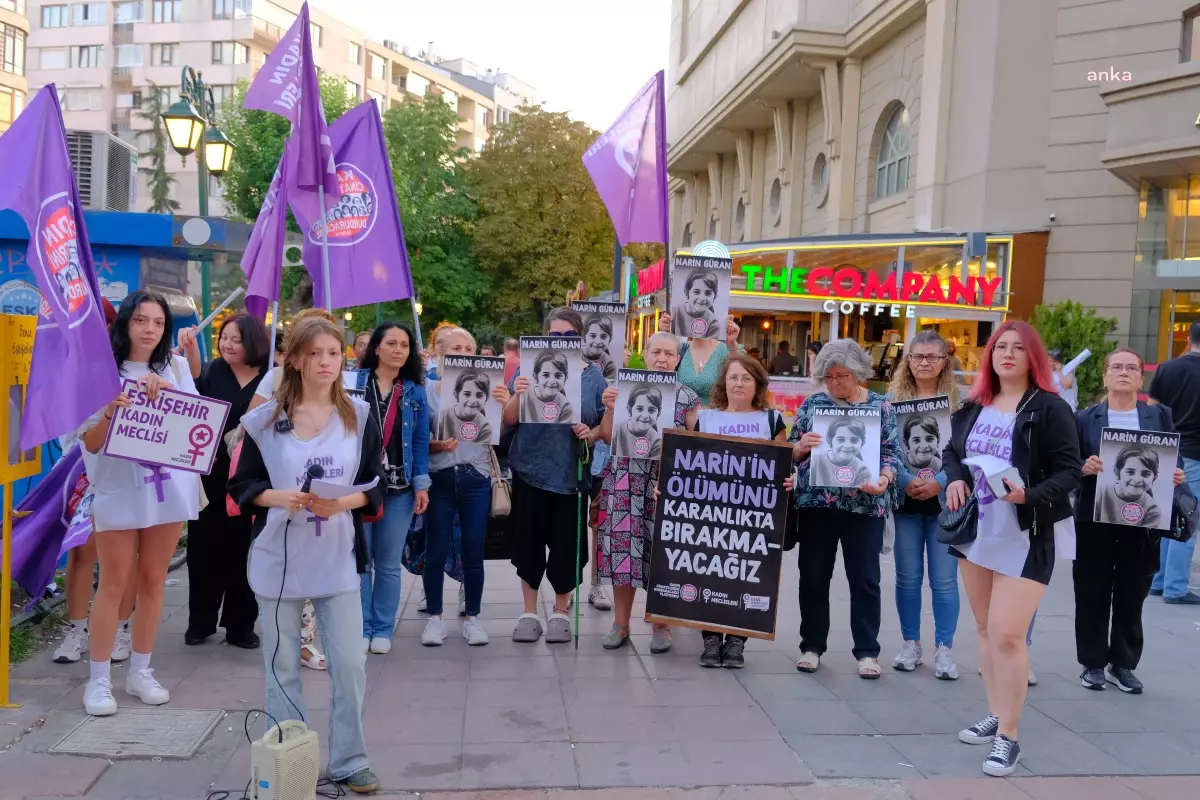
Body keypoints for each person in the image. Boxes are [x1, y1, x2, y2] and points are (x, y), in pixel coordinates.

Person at [229, 317, 384, 795]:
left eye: (333, 354)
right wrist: (278, 497)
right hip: (278, 562)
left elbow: (376, 485)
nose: (325, 362)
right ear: (294, 359)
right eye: (314, 353)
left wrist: (344, 501)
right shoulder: (262, 422)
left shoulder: (358, 415)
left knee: (349, 664)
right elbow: (241, 487)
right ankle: (291, 762)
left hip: (337, 558)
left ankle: (348, 760)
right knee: (283, 667)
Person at [942, 320, 1080, 777]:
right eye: (1001, 346)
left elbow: (1069, 472)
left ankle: (1009, 737)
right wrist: (958, 478)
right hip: (976, 531)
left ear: (1032, 357)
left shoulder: (1050, 408)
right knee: (983, 628)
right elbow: (951, 453)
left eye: (1018, 348)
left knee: (1006, 634)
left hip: (1027, 532)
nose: (1008, 354)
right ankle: (997, 712)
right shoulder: (974, 404)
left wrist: (1029, 495)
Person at [78, 290, 201, 716]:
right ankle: (97, 681)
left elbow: (195, 432)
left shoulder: (177, 366)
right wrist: (112, 411)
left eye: (158, 323)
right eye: (141, 320)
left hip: (167, 488)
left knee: (152, 580)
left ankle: (141, 671)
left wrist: (169, 395)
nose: (150, 329)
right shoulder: (99, 372)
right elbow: (89, 443)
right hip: (117, 487)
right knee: (113, 582)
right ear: (125, 323)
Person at [1075, 347, 1186, 694]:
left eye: (1131, 368)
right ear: (1105, 375)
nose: (1123, 372)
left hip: (1144, 521)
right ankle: (1092, 663)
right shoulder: (1083, 419)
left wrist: (1175, 474)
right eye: (1116, 367)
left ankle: (1122, 664)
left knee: (1132, 593)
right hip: (1095, 519)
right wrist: (1083, 466)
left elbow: (1171, 458)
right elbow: (1066, 463)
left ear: (1141, 377)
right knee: (1092, 592)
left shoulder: (1159, 416)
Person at [790, 339, 899, 679]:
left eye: (842, 376)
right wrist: (799, 448)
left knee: (865, 579)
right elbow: (790, 453)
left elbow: (892, 452)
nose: (835, 383)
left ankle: (867, 651)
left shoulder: (881, 407)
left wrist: (884, 477)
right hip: (816, 506)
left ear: (859, 374)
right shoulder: (812, 405)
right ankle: (811, 645)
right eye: (829, 377)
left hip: (864, 507)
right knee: (813, 577)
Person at [503, 307, 605, 643]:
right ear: (545, 336)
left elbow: (603, 426)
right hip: (530, 469)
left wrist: (589, 432)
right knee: (529, 545)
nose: (561, 341)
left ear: (578, 337)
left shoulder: (593, 377)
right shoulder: (527, 370)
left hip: (570, 476)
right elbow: (508, 420)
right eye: (555, 336)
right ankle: (529, 611)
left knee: (565, 547)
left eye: (568, 336)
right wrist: (518, 392)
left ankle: (561, 611)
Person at [594, 332, 700, 653]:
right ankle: (621, 624)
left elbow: (698, 445)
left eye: (669, 354)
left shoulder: (688, 398)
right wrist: (611, 409)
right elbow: (605, 436)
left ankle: (661, 624)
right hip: (625, 481)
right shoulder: (622, 390)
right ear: (645, 354)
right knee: (622, 553)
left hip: (666, 485)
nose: (662, 359)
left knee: (662, 555)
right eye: (656, 352)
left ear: (678, 359)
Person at [53, 298, 139, 666]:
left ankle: (119, 627)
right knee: (81, 550)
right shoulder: (69, 367)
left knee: (124, 554)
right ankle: (77, 630)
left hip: (125, 469)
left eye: (99, 323)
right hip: (79, 469)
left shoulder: (128, 364)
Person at [694, 353, 793, 668]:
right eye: (733, 377)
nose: (739, 383)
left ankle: (736, 641)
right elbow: (687, 464)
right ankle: (711, 639)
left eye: (746, 378)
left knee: (745, 575)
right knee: (709, 572)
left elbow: (783, 464)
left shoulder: (772, 421)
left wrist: (788, 479)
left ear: (758, 385)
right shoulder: (705, 419)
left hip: (753, 515)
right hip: (711, 512)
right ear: (724, 382)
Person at [180, 313, 270, 648]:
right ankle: (200, 622)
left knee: (245, 552)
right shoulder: (212, 371)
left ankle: (240, 624)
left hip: (251, 478)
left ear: (253, 342)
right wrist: (189, 349)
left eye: (236, 339)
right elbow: (189, 390)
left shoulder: (270, 377)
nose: (228, 345)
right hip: (210, 475)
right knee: (204, 550)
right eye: (224, 338)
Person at [422, 327, 509, 647]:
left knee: (474, 550)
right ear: (439, 353)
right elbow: (419, 441)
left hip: (476, 478)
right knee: (435, 548)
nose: (463, 352)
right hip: (439, 478)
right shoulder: (427, 389)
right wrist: (437, 445)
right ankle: (434, 619)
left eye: (468, 348)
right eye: (455, 347)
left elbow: (501, 434)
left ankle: (473, 617)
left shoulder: (488, 389)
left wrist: (506, 403)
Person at [885, 330, 962, 679]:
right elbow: (885, 448)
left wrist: (939, 483)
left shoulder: (961, 405)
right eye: (918, 357)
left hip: (945, 503)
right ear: (908, 360)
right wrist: (905, 480)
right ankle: (910, 643)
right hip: (906, 502)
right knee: (907, 577)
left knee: (945, 581)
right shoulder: (891, 401)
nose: (925, 363)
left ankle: (944, 649)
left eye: (933, 356)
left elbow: (966, 454)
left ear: (945, 361)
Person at [358, 322, 430, 654]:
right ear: (376, 347)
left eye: (404, 345)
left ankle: (383, 628)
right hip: (358, 487)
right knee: (360, 561)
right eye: (392, 343)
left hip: (399, 489)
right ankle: (361, 626)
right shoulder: (354, 384)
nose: (398, 350)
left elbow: (419, 441)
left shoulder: (414, 391)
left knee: (387, 563)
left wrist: (421, 485)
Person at [1148, 320, 1200, 605]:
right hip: (1196, 452)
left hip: (1167, 448)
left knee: (1169, 514)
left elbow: (1153, 409)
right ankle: (1176, 587)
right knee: (1189, 515)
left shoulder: (1167, 368)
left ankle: (1159, 580)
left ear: (1189, 338)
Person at [656, 313, 743, 405]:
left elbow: (743, 373)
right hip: (682, 417)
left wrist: (732, 342)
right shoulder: (681, 350)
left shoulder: (725, 349)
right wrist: (664, 334)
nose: (695, 322)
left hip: (714, 416)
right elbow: (659, 375)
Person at [808, 418, 874, 487]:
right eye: (841, 440)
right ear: (829, 441)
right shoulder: (815, 461)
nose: (847, 446)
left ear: (863, 443)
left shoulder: (863, 471)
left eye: (854, 440)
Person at [519, 350, 575, 424]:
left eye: (558, 376)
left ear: (566, 378)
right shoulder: (523, 397)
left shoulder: (565, 406)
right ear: (535, 376)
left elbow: (562, 433)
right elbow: (509, 421)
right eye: (546, 375)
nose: (552, 381)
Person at [438, 371, 494, 444]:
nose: (473, 400)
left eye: (479, 395)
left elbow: (480, 453)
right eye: (467, 394)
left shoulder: (485, 427)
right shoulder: (441, 417)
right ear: (456, 394)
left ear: (486, 398)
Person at [611, 385, 664, 461]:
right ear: (629, 409)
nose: (645, 415)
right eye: (639, 409)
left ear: (658, 413)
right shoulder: (616, 430)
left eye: (651, 410)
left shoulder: (657, 441)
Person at [672, 270, 721, 339]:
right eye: (696, 292)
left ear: (715, 296)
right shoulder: (673, 314)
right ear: (686, 292)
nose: (702, 298)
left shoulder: (713, 323)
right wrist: (664, 330)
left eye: (708, 293)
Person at [581, 314, 618, 381]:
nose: (598, 341)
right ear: (584, 336)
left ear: (610, 339)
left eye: (603, 337)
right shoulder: (574, 358)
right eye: (592, 336)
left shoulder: (609, 365)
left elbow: (608, 389)